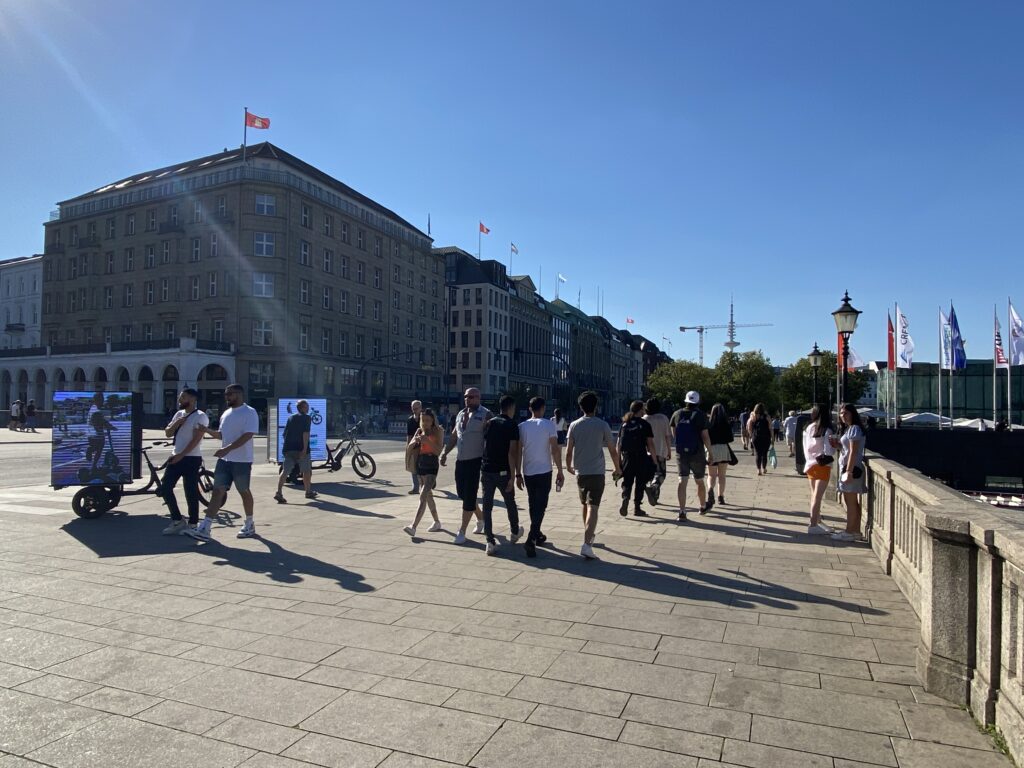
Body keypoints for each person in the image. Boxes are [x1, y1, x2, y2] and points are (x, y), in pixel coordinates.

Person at [187, 384, 259, 541]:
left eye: (230, 394)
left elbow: (248, 435)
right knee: (217, 491)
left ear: (239, 394)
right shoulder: (226, 413)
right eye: (226, 394)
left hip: (242, 460)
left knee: (244, 491)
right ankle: (205, 528)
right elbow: (221, 435)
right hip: (224, 461)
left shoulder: (250, 412)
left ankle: (249, 522)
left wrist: (227, 449)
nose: (226, 397)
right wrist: (206, 430)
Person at [566, 391, 622, 560]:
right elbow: (612, 450)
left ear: (580, 407)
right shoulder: (602, 425)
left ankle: (588, 534)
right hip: (597, 472)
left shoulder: (574, 425)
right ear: (596, 407)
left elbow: (568, 451)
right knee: (593, 506)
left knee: (585, 504)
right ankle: (587, 543)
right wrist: (617, 468)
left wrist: (568, 466)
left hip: (580, 472)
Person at [440, 388, 489, 544]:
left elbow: (491, 438)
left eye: (472, 397)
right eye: (466, 396)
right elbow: (455, 435)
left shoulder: (486, 414)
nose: (468, 399)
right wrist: (445, 452)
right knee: (463, 494)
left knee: (469, 496)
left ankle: (461, 531)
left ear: (479, 398)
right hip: (461, 461)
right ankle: (482, 519)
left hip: (476, 461)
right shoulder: (461, 414)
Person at [516, 396, 563, 557]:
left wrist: (517, 473)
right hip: (544, 470)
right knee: (541, 504)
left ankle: (537, 533)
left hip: (528, 471)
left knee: (533, 503)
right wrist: (560, 470)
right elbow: (555, 449)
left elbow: (518, 452)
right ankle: (531, 538)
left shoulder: (522, 426)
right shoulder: (548, 425)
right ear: (542, 408)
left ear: (530, 409)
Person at [161, 388, 209, 536]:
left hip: (191, 458)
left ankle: (193, 523)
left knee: (191, 491)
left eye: (183, 397)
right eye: (179, 397)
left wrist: (181, 455)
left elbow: (196, 440)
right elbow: (168, 432)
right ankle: (177, 520)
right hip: (175, 456)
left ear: (193, 399)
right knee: (165, 488)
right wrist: (176, 423)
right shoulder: (179, 414)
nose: (179, 400)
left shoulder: (200, 416)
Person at [478, 395, 522, 555]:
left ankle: (489, 541)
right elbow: (512, 452)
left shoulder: (490, 423)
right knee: (510, 502)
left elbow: (484, 444)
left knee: (487, 506)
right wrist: (514, 475)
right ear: (511, 408)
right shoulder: (512, 425)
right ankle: (515, 531)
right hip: (503, 470)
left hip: (486, 469)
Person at [669, 391, 713, 520]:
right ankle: (702, 506)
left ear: (686, 401)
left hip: (681, 453)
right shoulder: (701, 415)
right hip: (697, 453)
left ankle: (682, 511)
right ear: (698, 402)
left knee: (682, 481)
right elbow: (705, 436)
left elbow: (674, 434)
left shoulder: (677, 414)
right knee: (699, 481)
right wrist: (710, 452)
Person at [403, 408, 444, 536]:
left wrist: (428, 441)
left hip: (432, 465)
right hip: (421, 464)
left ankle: (413, 526)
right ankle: (437, 522)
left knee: (423, 495)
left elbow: (438, 451)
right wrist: (414, 442)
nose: (425, 423)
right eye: (423, 420)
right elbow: (409, 448)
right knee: (428, 496)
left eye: (427, 420)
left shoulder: (438, 431)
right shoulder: (419, 431)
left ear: (433, 421)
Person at [833, 403, 866, 542]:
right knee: (853, 502)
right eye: (841, 413)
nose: (842, 416)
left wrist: (849, 471)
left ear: (853, 414)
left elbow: (853, 451)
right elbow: (848, 450)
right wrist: (838, 446)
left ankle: (849, 531)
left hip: (851, 469)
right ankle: (856, 530)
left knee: (850, 502)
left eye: (845, 413)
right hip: (851, 467)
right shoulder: (850, 429)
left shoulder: (854, 429)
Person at [617, 400, 656, 517]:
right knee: (640, 482)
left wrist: (618, 461)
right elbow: (650, 444)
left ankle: (625, 498)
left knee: (627, 481)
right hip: (641, 456)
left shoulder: (625, 424)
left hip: (627, 457)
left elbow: (618, 444)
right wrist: (654, 460)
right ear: (641, 410)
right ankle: (637, 508)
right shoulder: (645, 424)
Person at [274, 399, 318, 503]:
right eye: (307, 406)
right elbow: (305, 434)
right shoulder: (307, 418)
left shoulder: (290, 418)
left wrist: (287, 447)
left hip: (288, 449)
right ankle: (308, 492)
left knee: (285, 471)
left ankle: (279, 492)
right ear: (303, 407)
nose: (308, 408)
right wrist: (304, 449)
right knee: (307, 471)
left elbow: (284, 434)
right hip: (300, 449)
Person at [802, 405, 836, 535]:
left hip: (810, 464)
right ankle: (813, 524)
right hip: (822, 465)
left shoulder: (809, 428)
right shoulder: (826, 430)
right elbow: (829, 451)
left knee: (814, 495)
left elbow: (805, 447)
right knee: (818, 496)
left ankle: (817, 520)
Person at [643, 397, 671, 506]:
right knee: (660, 473)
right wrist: (669, 450)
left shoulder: (645, 418)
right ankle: (654, 487)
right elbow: (668, 436)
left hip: (647, 452)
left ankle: (654, 496)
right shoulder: (663, 418)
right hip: (661, 450)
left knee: (651, 473)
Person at [705, 403, 733, 506]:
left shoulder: (708, 423)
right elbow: (731, 438)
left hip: (711, 449)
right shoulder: (725, 423)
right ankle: (721, 497)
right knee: (722, 475)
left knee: (711, 475)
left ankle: (710, 490)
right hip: (723, 449)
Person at [85, 393, 115, 470]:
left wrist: (109, 426)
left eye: (102, 399)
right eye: (101, 399)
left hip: (90, 433)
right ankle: (91, 451)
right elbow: (102, 421)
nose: (102, 401)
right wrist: (110, 427)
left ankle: (94, 464)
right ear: (96, 400)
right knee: (99, 449)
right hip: (96, 434)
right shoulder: (96, 411)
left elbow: (102, 420)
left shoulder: (93, 408)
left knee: (98, 449)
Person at [747, 403, 773, 476]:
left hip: (756, 437)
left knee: (758, 454)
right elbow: (770, 428)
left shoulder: (753, 416)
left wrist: (751, 436)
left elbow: (749, 427)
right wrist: (773, 438)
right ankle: (764, 468)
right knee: (764, 454)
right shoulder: (767, 416)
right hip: (766, 437)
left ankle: (759, 470)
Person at [406, 400, 423, 494]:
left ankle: (430, 481)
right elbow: (408, 435)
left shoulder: (425, 418)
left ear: (421, 408)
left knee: (424, 466)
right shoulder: (410, 420)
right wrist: (408, 446)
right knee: (413, 467)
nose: (414, 410)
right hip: (414, 446)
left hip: (424, 445)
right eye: (413, 408)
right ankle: (415, 488)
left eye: (416, 408)